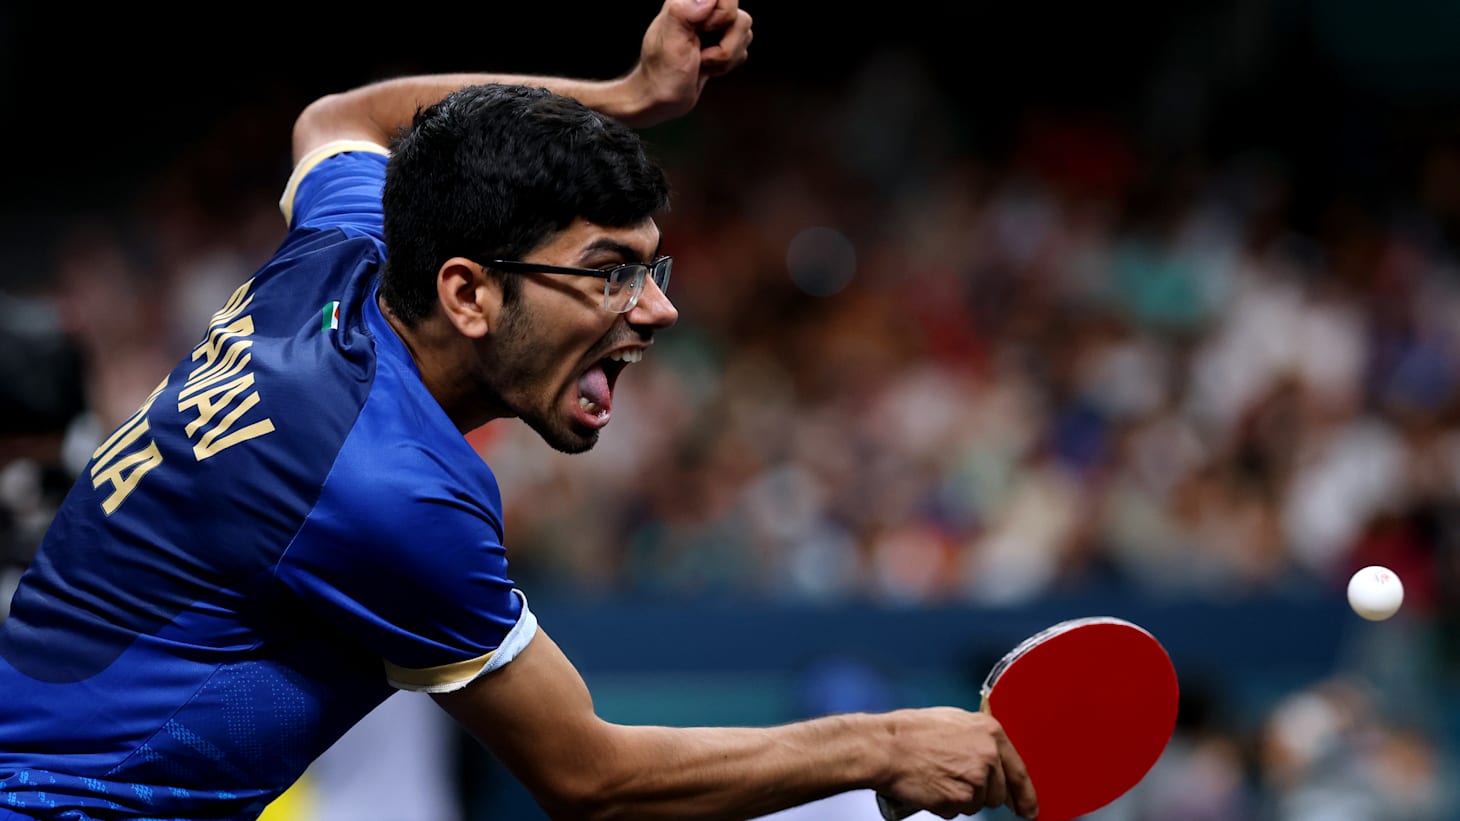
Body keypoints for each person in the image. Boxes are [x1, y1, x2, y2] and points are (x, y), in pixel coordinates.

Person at [0, 2, 1039, 819]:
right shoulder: (388, 489)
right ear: (468, 293)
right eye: (609, 272)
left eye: (651, 268)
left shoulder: (347, 258)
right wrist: (880, 743)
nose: (659, 308)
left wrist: (625, 97)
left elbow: (343, 118)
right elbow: (593, 779)